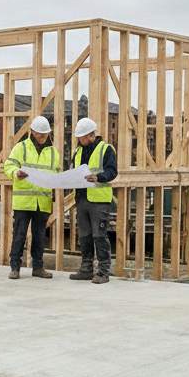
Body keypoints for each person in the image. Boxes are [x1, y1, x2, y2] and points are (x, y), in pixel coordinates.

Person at [1, 115, 61, 279]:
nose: (42, 137)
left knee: (40, 237)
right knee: (19, 235)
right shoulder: (21, 148)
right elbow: (8, 165)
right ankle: (15, 268)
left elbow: (56, 173)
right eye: (39, 134)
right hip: (24, 202)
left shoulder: (54, 152)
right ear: (32, 132)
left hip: (43, 201)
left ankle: (38, 268)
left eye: (45, 134)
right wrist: (16, 173)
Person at [68, 117, 117, 283]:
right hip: (82, 199)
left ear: (91, 135)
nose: (79, 140)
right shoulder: (78, 151)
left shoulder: (106, 149)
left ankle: (103, 271)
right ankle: (86, 268)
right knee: (85, 236)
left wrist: (99, 177)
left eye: (81, 137)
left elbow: (112, 171)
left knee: (99, 235)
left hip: (99, 201)